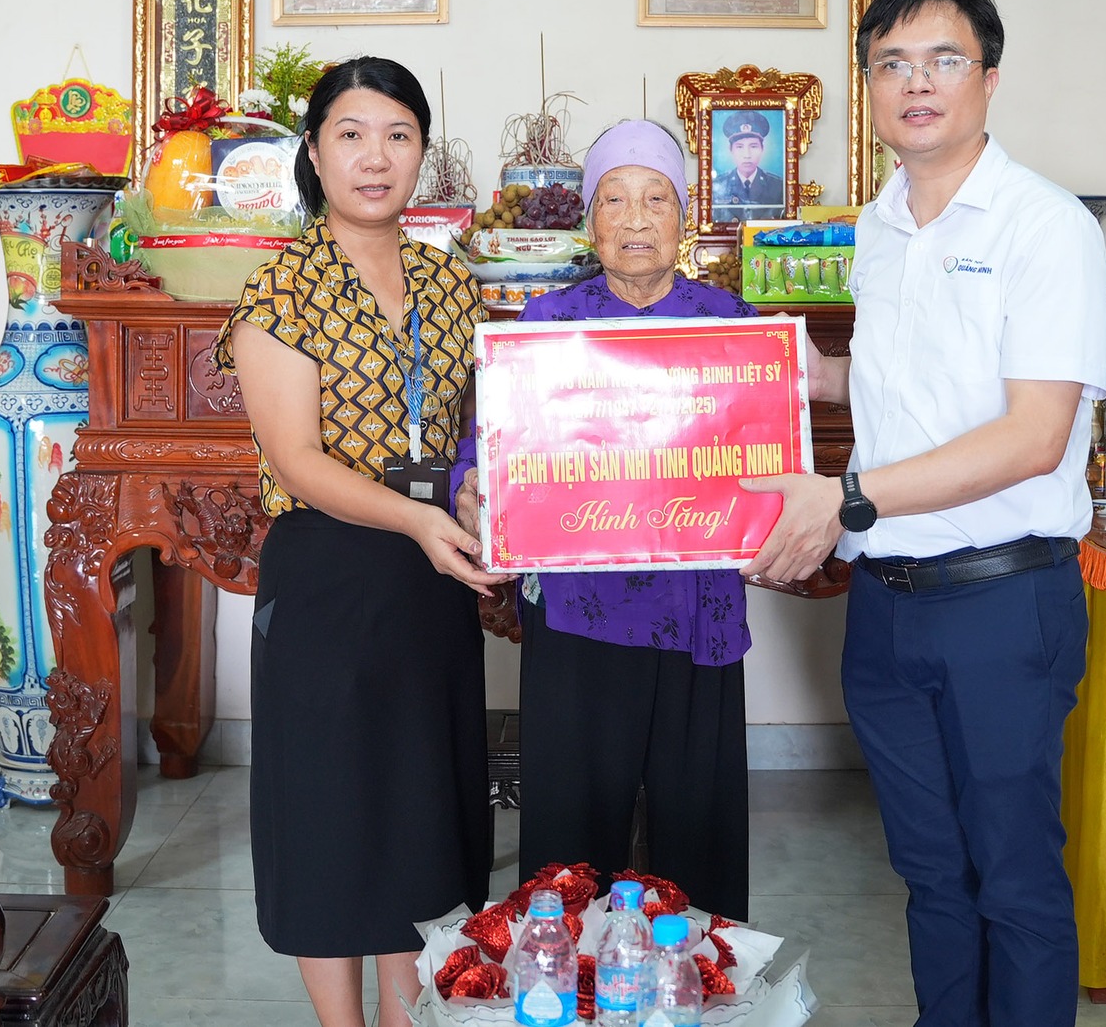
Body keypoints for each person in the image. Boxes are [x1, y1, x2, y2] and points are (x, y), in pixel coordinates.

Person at [738, 0, 1106, 1027]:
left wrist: (846, 497)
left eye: (943, 60)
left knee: (1013, 877)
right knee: (931, 874)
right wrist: (790, 376)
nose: (917, 83)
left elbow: (1033, 437)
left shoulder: (1045, 227)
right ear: (868, 87)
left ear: (988, 79)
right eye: (891, 64)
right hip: (887, 607)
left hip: (1002, 602)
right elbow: (899, 387)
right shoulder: (879, 224)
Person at [214, 56, 495, 1027]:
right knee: (332, 817)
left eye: (398, 135)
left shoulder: (449, 282)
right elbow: (296, 461)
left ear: (422, 151)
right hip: (330, 577)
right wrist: (418, 518)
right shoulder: (280, 289)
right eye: (351, 134)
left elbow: (461, 432)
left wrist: (469, 497)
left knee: (419, 814)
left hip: (431, 582)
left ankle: (407, 1017)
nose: (375, 158)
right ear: (313, 150)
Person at [452, 120, 756, 918]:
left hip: (698, 607)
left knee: (700, 837)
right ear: (589, 221)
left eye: (656, 199)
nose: (635, 218)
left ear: (684, 217)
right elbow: (487, 442)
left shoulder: (730, 322)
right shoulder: (546, 322)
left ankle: (702, 972)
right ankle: (563, 969)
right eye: (614, 200)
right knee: (570, 846)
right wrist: (472, 487)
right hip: (579, 613)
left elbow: (766, 446)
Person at [710, 109, 784, 222]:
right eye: (739, 147)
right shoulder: (718, 185)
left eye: (753, 146)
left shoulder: (778, 187)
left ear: (762, 148)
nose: (747, 155)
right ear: (730, 149)